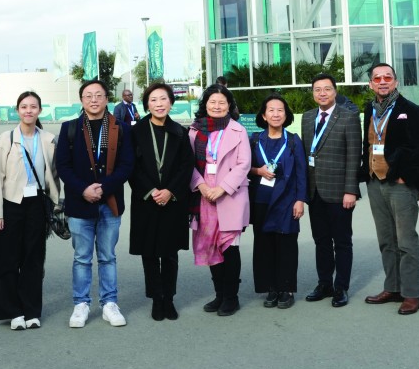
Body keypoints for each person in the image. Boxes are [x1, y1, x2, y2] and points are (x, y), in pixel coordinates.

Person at [55, 79, 135, 328]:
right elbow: (63, 166)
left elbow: (127, 165)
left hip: (109, 202)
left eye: (98, 95)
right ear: (81, 100)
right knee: (81, 257)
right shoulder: (69, 128)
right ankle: (81, 304)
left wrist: (104, 188)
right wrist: (83, 189)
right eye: (88, 95)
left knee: (108, 256)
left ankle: (109, 303)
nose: (93, 100)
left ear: (106, 99)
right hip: (80, 204)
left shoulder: (120, 128)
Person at [360, 63, 419, 315]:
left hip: (400, 185)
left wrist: (407, 178)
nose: (382, 81)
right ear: (370, 84)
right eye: (377, 78)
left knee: (406, 241)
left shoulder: (412, 111)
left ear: (396, 82)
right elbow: (368, 143)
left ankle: (411, 293)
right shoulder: (370, 109)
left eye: (387, 77)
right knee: (386, 240)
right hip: (375, 182)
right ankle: (393, 287)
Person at [0, 91, 60, 330]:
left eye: (33, 106)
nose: (28, 111)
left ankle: (31, 311)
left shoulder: (48, 138)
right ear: (17, 110)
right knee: (7, 258)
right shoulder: (6, 139)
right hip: (11, 204)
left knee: (33, 258)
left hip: (37, 204)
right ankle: (13, 311)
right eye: (24, 107)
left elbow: (54, 175)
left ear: (40, 110)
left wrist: (56, 203)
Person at [128, 83, 194, 321]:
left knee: (169, 252)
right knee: (149, 252)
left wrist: (169, 191)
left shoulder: (179, 132)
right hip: (147, 200)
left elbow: (187, 166)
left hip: (173, 201)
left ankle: (169, 298)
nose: (159, 104)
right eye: (153, 100)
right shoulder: (135, 132)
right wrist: (152, 190)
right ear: (147, 104)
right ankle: (156, 298)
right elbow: (131, 167)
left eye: (163, 99)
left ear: (170, 103)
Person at [189, 84, 251, 316]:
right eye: (212, 102)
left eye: (222, 102)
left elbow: (244, 163)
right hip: (203, 196)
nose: (217, 106)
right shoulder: (194, 131)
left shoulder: (238, 130)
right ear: (205, 104)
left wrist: (222, 188)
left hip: (230, 196)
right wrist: (202, 186)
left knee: (229, 247)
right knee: (210, 246)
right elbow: (189, 164)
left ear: (229, 106)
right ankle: (219, 294)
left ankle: (231, 297)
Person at [301, 73, 361, 308]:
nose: (322, 93)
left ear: (335, 91)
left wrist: (351, 190)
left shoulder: (348, 117)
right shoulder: (307, 118)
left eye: (327, 89)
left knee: (342, 242)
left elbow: (354, 156)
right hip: (315, 191)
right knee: (321, 240)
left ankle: (341, 287)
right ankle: (324, 283)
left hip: (339, 192)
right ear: (313, 92)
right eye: (317, 89)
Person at [249, 93, 307, 310]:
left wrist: (300, 200)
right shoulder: (254, 140)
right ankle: (271, 288)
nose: (275, 114)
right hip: (261, 201)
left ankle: (286, 288)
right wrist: (258, 170)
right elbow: (243, 168)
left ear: (286, 114)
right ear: (264, 115)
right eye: (271, 110)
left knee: (287, 246)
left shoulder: (293, 140)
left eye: (280, 110)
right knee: (264, 246)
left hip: (286, 201)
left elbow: (302, 173)